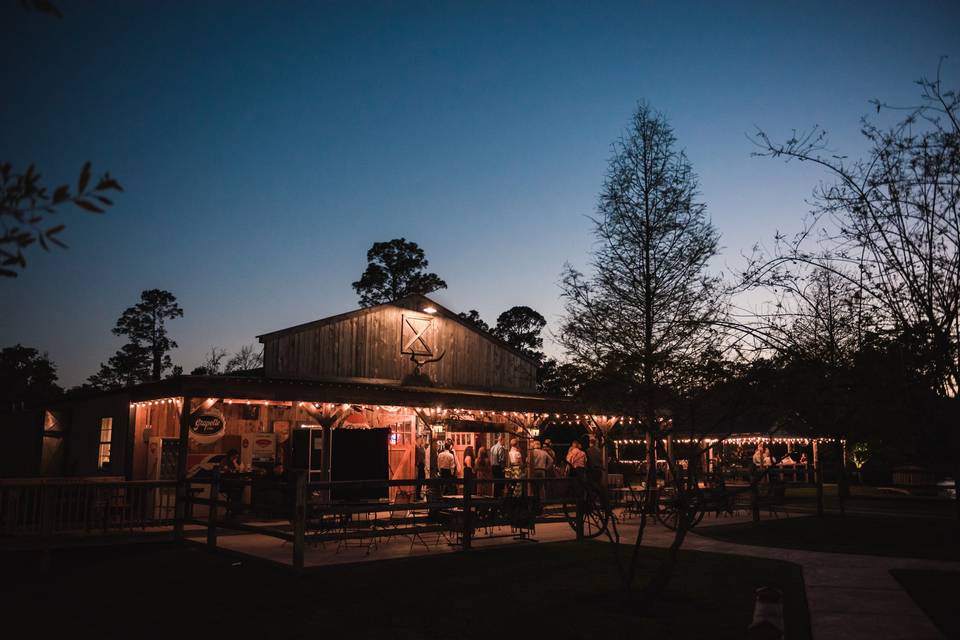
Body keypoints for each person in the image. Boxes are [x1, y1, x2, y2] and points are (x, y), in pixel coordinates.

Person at [414, 436, 427, 501]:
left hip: (422, 465)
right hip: (419, 465)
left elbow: (423, 457)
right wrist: (417, 464)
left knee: (422, 480)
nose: (420, 440)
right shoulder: (416, 447)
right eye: (419, 439)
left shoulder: (421, 447)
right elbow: (417, 457)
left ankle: (418, 495)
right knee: (419, 480)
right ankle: (417, 495)